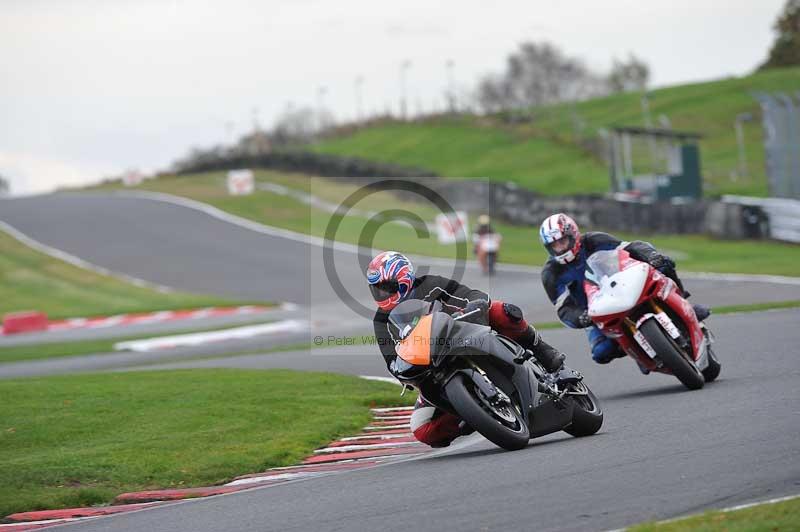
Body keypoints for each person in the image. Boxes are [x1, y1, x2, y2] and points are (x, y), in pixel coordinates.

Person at [367, 250, 566, 448]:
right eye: (377, 289)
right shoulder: (381, 320)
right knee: (421, 428)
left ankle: (542, 350)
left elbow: (467, 293)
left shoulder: (431, 284)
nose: (382, 294)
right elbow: (391, 359)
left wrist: (474, 305)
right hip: (431, 366)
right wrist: (401, 370)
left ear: (404, 280)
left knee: (500, 310)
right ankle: (472, 416)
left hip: (463, 332)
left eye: (386, 288)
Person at [538, 213, 710, 370]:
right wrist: (580, 318)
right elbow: (563, 309)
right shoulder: (551, 274)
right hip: (596, 311)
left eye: (562, 241)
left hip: (624, 284)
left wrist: (651, 256)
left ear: (573, 235)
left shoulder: (594, 240)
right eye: (554, 245)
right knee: (601, 352)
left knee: (664, 264)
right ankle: (637, 346)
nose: (560, 247)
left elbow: (631, 247)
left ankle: (684, 301)